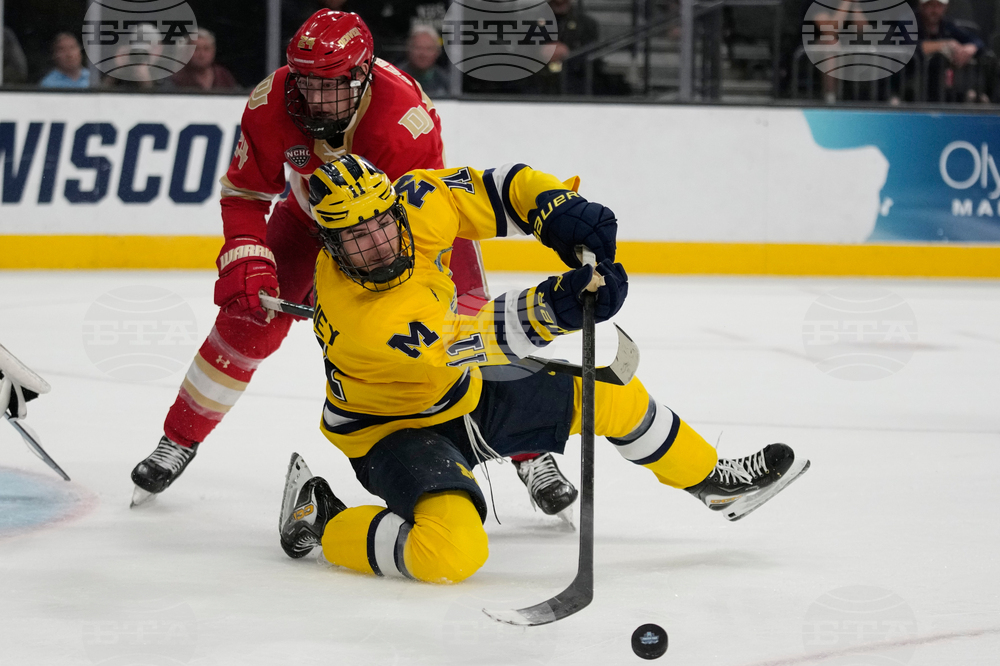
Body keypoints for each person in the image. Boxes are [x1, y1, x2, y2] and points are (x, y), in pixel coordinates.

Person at [276, 155, 810, 584]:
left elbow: (498, 187)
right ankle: (323, 518)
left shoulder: (414, 202)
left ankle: (715, 483)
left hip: (460, 391)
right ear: (331, 242)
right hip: (392, 431)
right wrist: (559, 302)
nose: (379, 244)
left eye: (381, 224)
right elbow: (474, 338)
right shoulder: (365, 318)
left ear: (395, 208)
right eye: (356, 236)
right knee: (451, 553)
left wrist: (557, 209)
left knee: (613, 396)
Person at [129, 10, 577, 516]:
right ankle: (180, 437)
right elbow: (246, 191)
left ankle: (531, 452)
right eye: (305, 84)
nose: (314, 99)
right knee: (247, 319)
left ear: (362, 75)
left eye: (330, 86)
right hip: (309, 218)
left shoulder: (403, 120)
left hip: (406, 224)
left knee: (469, 325)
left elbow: (425, 212)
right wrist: (247, 253)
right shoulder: (271, 102)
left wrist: (379, 296)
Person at [918, 0, 991, 102]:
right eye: (930, 5)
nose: (934, 10)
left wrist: (971, 48)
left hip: (942, 89)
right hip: (912, 84)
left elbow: (977, 41)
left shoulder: (947, 25)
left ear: (945, 7)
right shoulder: (909, 22)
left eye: (939, 5)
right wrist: (944, 44)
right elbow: (910, 46)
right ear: (922, 6)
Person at [170, 29, 240, 91]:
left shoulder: (223, 75)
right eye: (196, 49)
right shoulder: (178, 78)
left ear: (213, 51)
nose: (201, 55)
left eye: (206, 49)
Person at [395, 26, 450, 98]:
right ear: (409, 49)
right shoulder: (396, 77)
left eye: (429, 49)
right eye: (418, 48)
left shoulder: (445, 81)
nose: (423, 54)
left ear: (437, 52)